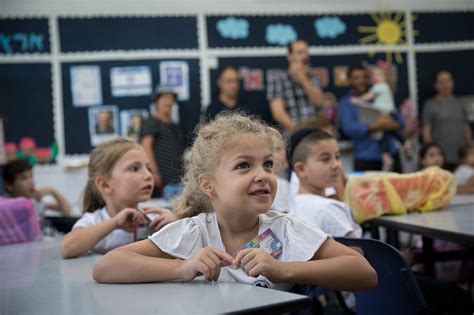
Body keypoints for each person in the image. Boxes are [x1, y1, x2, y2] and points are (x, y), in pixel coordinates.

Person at [92, 114, 377, 293]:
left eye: (267, 164)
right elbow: (108, 267)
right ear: (208, 184)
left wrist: (283, 270)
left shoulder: (286, 229)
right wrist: (183, 268)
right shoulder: (194, 232)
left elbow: (364, 273)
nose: (262, 175)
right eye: (244, 165)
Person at [288, 129, 472, 314]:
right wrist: (400, 261)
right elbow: (363, 261)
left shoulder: (295, 208)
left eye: (337, 157)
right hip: (378, 294)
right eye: (325, 159)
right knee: (458, 297)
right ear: (301, 169)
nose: (336, 165)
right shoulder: (328, 209)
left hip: (348, 300)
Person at [60, 138, 175, 259]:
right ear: (105, 185)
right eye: (135, 168)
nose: (148, 175)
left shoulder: (155, 219)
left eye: (148, 168)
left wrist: (176, 223)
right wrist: (114, 223)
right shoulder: (93, 221)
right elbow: (67, 248)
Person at [339, 64, 403, 172]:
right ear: (349, 80)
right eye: (356, 78)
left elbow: (399, 121)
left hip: (391, 154)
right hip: (365, 156)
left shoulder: (380, 94)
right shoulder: (347, 102)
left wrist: (393, 124)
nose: (361, 81)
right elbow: (349, 128)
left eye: (365, 77)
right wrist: (377, 125)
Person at [267, 39, 325, 132]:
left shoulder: (313, 78)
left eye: (306, 52)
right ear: (289, 56)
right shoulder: (277, 78)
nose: (304, 56)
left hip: (313, 132)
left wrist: (303, 79)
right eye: (299, 52)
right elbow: (278, 113)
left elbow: (318, 103)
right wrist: (299, 132)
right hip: (291, 134)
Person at [423, 70, 472, 171]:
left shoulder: (460, 104)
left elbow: (466, 127)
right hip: (441, 159)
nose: (445, 84)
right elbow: (426, 131)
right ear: (436, 85)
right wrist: (431, 155)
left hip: (461, 157)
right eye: (441, 81)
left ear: (452, 83)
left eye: (448, 80)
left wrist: (470, 150)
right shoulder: (430, 105)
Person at [140, 84, 185, 196]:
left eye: (171, 98)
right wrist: (154, 173)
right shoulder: (151, 121)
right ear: (156, 101)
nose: (168, 102)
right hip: (160, 181)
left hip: (176, 180)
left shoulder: (173, 125)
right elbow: (146, 147)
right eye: (164, 98)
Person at [2, 159, 71, 220]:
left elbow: (66, 210)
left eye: (31, 176)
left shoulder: (34, 201)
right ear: (9, 185)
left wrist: (52, 191)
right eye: (24, 178)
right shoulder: (5, 207)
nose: (31, 182)